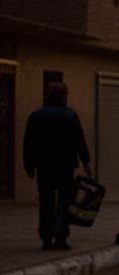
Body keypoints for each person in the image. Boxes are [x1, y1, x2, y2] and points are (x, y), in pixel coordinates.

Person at [22, 82, 92, 251]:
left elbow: (28, 143)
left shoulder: (36, 116)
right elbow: (79, 140)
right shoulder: (70, 116)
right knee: (64, 202)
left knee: (46, 202)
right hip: (65, 167)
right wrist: (86, 162)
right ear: (64, 96)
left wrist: (29, 165)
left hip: (44, 167)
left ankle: (46, 238)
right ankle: (60, 237)